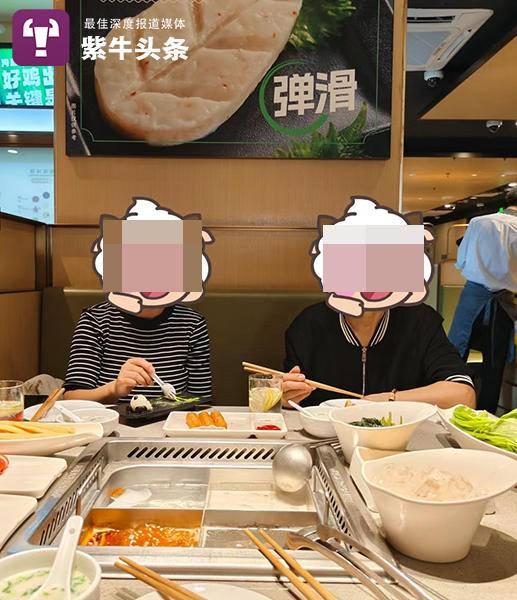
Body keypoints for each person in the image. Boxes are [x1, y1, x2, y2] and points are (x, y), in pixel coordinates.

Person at [282, 302, 476, 409]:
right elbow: (289, 401)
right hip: (326, 444)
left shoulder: (420, 320)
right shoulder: (308, 325)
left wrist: (390, 400)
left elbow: (463, 395)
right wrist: (285, 397)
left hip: (404, 446)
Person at [63, 301, 211, 402]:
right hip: (107, 428)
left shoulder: (192, 324)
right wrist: (114, 389)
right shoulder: (96, 320)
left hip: (170, 428)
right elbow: (71, 398)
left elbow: (201, 400)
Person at [448, 211, 516, 413]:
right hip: (503, 301)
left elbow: (462, 259)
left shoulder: (477, 222)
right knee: (493, 366)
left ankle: (448, 407)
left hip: (473, 295)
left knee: (454, 355)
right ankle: (486, 414)